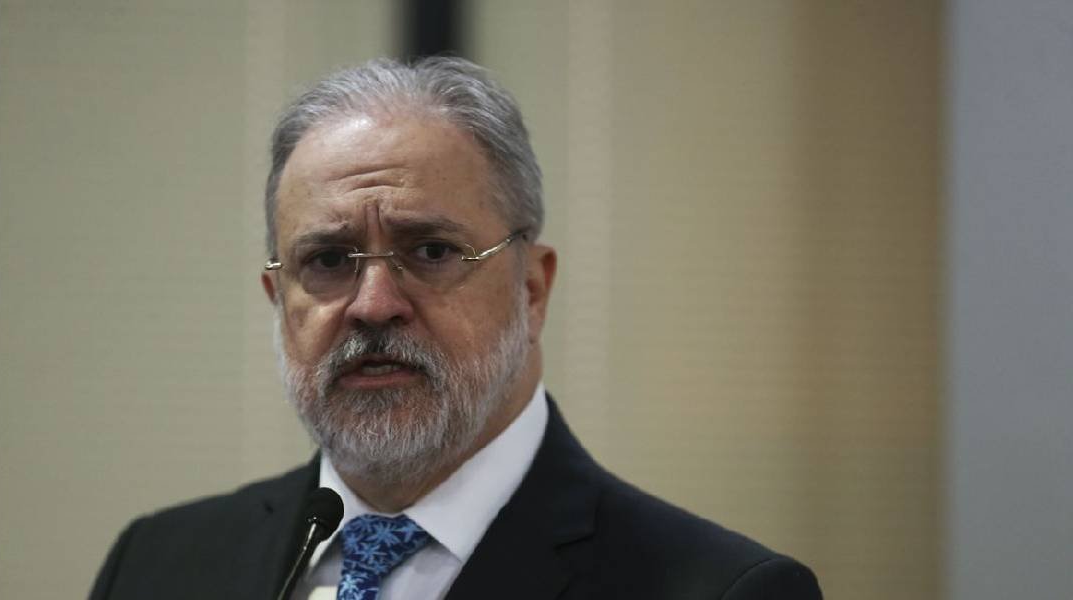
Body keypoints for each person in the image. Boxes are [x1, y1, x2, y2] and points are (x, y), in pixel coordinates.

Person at [89, 57, 822, 600]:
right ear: (278, 299)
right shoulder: (157, 565)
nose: (374, 304)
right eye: (329, 260)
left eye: (431, 251)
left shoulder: (721, 590)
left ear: (532, 289)